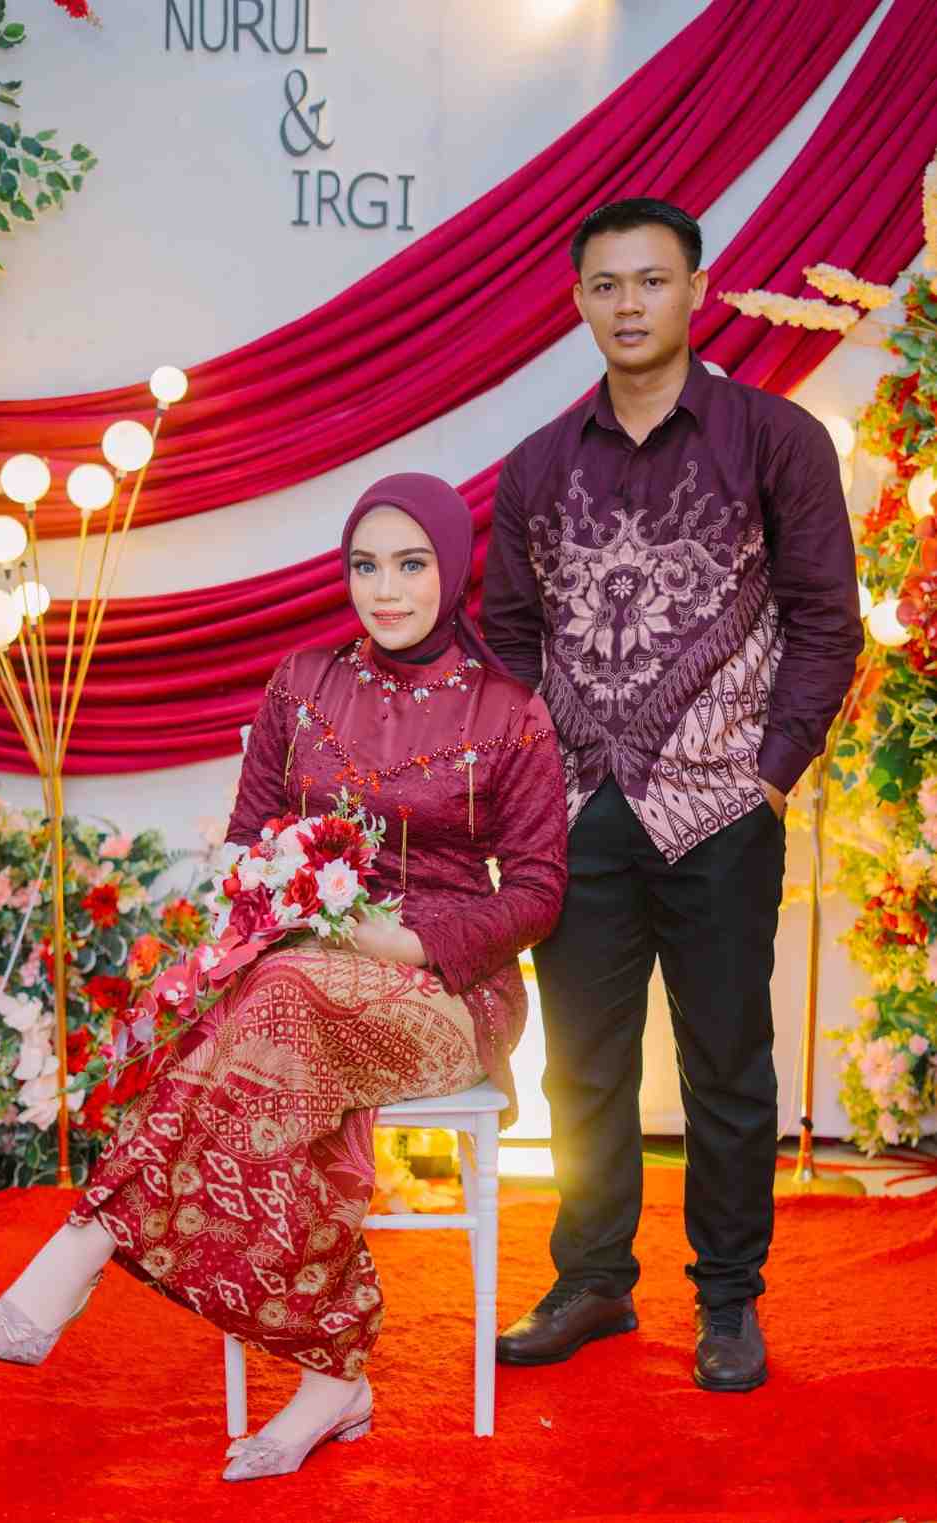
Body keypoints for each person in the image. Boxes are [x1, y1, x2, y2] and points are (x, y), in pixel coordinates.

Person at [0, 473, 568, 1479]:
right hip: (301, 970)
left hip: (448, 992)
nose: (385, 589)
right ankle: (332, 1374)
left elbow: (542, 890)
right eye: (365, 566)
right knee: (273, 1004)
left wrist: (411, 942)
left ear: (452, 568)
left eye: (410, 564)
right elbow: (251, 837)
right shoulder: (303, 682)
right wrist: (278, 895)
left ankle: (88, 1239)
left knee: (271, 1002)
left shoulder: (508, 712)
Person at [482, 198, 863, 1392]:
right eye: (606, 285)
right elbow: (507, 632)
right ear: (579, 302)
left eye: (652, 280)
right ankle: (592, 1278)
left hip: (722, 809)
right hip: (580, 813)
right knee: (582, 1063)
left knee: (725, 1064)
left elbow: (825, 620)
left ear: (696, 288)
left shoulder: (774, 440)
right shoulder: (539, 463)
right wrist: (538, 778)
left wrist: (770, 771)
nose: (630, 303)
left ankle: (729, 1298)